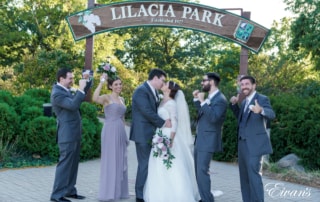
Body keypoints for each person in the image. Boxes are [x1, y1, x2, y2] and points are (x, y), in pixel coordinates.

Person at [144, 81, 201, 202]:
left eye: (165, 84)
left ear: (169, 89)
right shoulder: (162, 101)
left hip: (168, 136)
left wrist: (170, 140)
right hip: (159, 134)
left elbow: (175, 123)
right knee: (158, 165)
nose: (162, 84)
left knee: (171, 166)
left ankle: (177, 195)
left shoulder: (171, 103)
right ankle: (159, 194)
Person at [229, 75, 275, 202]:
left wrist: (261, 110)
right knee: (244, 177)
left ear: (254, 85)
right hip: (242, 144)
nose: (244, 86)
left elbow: (271, 114)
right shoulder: (244, 102)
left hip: (255, 145)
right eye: (242, 84)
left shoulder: (262, 99)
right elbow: (242, 119)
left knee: (254, 176)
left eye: (247, 84)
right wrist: (234, 105)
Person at [130, 68, 171, 202]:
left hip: (151, 134)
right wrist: (164, 123)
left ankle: (145, 191)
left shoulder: (153, 92)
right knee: (144, 164)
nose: (163, 84)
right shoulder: (141, 91)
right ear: (155, 78)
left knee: (149, 164)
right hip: (142, 134)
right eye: (162, 80)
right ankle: (139, 195)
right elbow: (147, 111)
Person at [50, 68, 90, 202]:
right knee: (65, 165)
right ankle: (56, 196)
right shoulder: (57, 93)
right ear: (61, 79)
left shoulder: (66, 90)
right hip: (66, 135)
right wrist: (80, 88)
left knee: (73, 164)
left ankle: (69, 191)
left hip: (74, 133)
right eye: (70, 78)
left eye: (73, 78)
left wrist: (87, 80)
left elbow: (80, 96)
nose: (72, 80)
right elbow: (73, 105)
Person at [92, 73, 129, 201]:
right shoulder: (107, 98)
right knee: (110, 161)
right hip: (109, 131)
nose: (119, 86)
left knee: (120, 160)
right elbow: (94, 98)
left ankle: (118, 191)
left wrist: (124, 135)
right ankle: (107, 192)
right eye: (116, 84)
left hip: (120, 131)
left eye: (120, 84)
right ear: (111, 86)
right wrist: (101, 82)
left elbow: (123, 118)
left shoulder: (123, 99)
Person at [192, 72, 228, 202]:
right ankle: (205, 197)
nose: (202, 83)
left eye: (204, 80)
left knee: (202, 171)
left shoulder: (221, 99)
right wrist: (197, 100)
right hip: (200, 139)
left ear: (211, 82)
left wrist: (202, 101)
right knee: (198, 171)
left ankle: (207, 199)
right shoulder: (210, 97)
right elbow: (204, 113)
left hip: (208, 141)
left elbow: (214, 118)